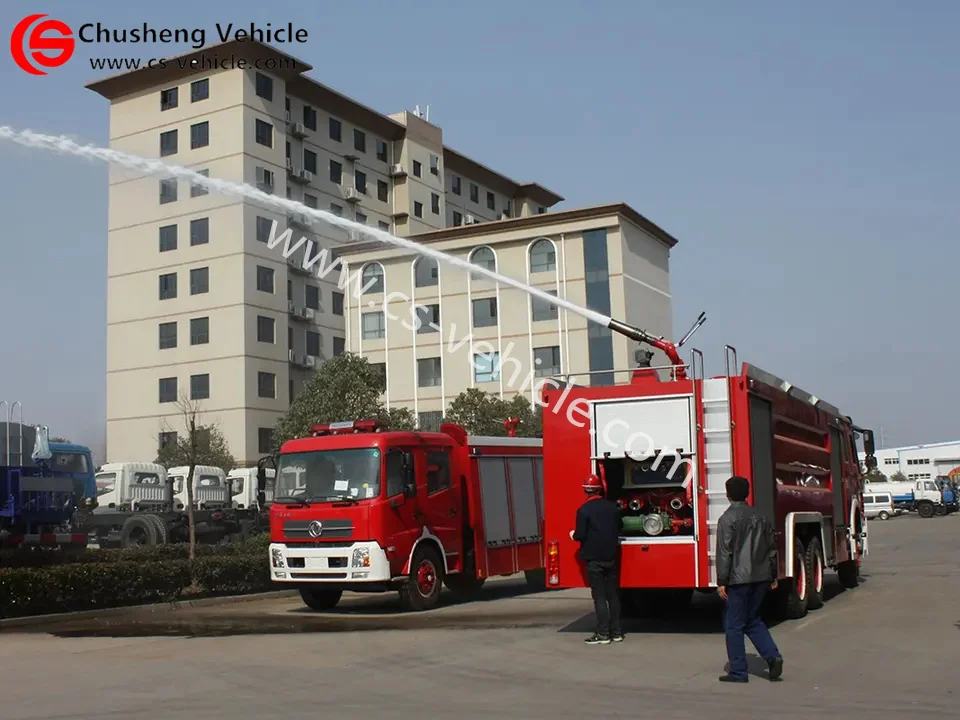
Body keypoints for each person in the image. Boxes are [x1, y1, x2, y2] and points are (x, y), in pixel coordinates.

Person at [715, 475, 784, 683]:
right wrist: (772, 575)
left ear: (728, 494)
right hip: (760, 577)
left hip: (738, 579)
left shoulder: (727, 519)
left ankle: (738, 671)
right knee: (753, 620)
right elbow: (771, 549)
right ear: (747, 493)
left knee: (733, 625)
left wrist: (722, 580)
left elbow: (724, 552)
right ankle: (772, 656)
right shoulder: (760, 517)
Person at [570, 473, 623, 645]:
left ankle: (602, 634)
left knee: (599, 597)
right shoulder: (613, 507)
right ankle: (616, 632)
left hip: (594, 559)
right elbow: (620, 526)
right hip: (611, 556)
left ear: (586, 490)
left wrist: (573, 535)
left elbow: (580, 534)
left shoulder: (583, 510)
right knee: (613, 595)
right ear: (600, 489)